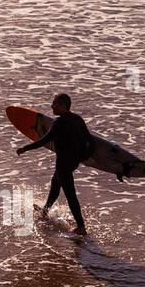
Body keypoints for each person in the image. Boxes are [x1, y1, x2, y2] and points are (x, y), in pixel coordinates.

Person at [16, 93, 92, 235]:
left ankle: (81, 227)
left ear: (63, 105)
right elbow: (89, 141)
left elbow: (43, 141)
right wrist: (85, 158)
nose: (52, 106)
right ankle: (45, 211)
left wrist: (24, 148)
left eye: (55, 103)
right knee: (55, 184)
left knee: (70, 194)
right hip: (74, 161)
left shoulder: (58, 123)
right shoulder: (77, 119)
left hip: (63, 162)